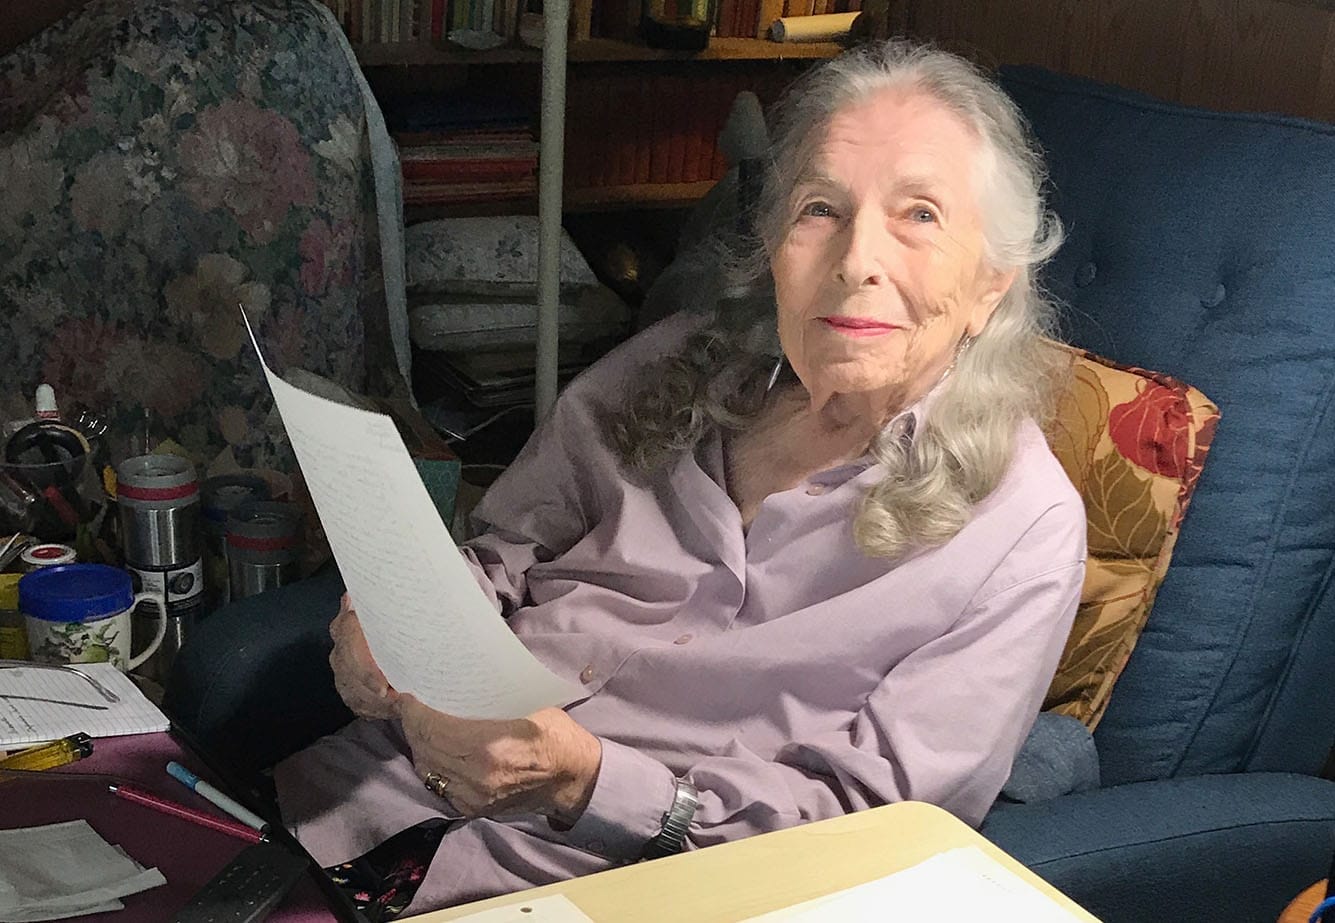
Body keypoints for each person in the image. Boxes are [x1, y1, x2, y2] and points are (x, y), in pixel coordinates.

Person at [275, 39, 1087, 916]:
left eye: (919, 215)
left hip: (612, 891)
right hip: (359, 804)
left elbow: (876, 827)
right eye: (820, 209)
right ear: (773, 245)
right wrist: (394, 622)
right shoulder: (675, 363)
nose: (857, 259)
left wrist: (584, 779)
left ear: (990, 284)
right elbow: (503, 546)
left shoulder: (1021, 527)